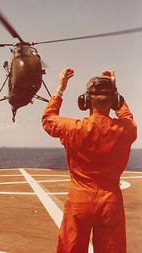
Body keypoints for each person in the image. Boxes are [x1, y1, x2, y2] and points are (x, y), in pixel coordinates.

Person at [42, 68, 137, 253]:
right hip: (111, 201)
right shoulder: (125, 129)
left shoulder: (73, 128)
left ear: (85, 102)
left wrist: (60, 89)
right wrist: (115, 90)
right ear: (115, 101)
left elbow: (47, 119)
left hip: (80, 200)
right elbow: (127, 117)